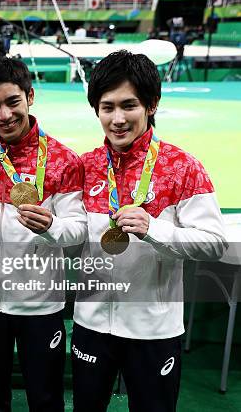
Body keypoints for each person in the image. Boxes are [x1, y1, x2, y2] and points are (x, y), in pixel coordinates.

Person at [73, 50, 226, 412]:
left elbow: (214, 244)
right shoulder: (86, 166)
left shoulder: (183, 167)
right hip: (91, 323)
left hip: (153, 330)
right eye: (107, 107)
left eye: (129, 105)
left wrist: (154, 229)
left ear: (151, 104)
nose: (118, 118)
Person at [0, 57, 86, 411]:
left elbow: (77, 232)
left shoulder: (64, 160)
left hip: (40, 305)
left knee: (46, 398)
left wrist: (52, 227)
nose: (3, 115)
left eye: (12, 102)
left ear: (30, 96)